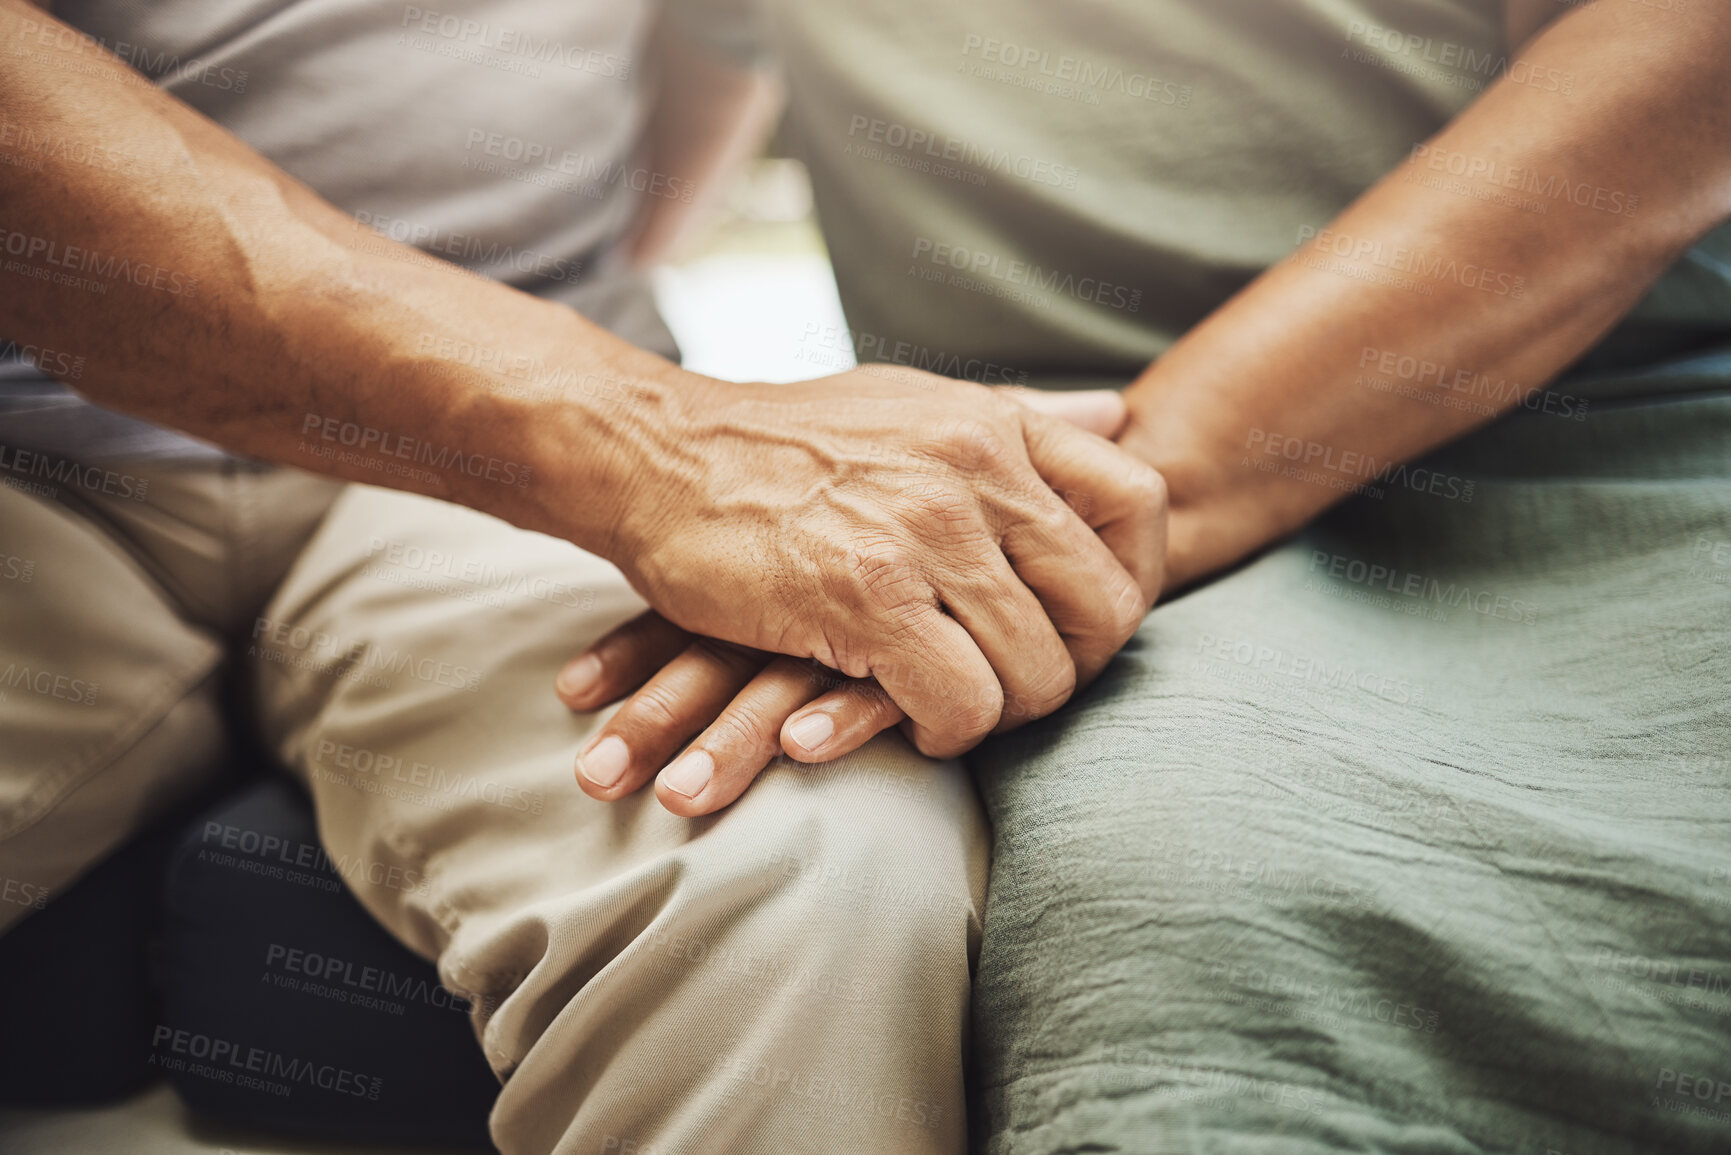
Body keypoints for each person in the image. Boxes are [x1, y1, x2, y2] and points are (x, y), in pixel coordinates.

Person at [0, 0, 1154, 1151]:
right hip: (44, 462)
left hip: (495, 470)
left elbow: (705, 51)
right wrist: (653, 439)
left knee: (801, 868)